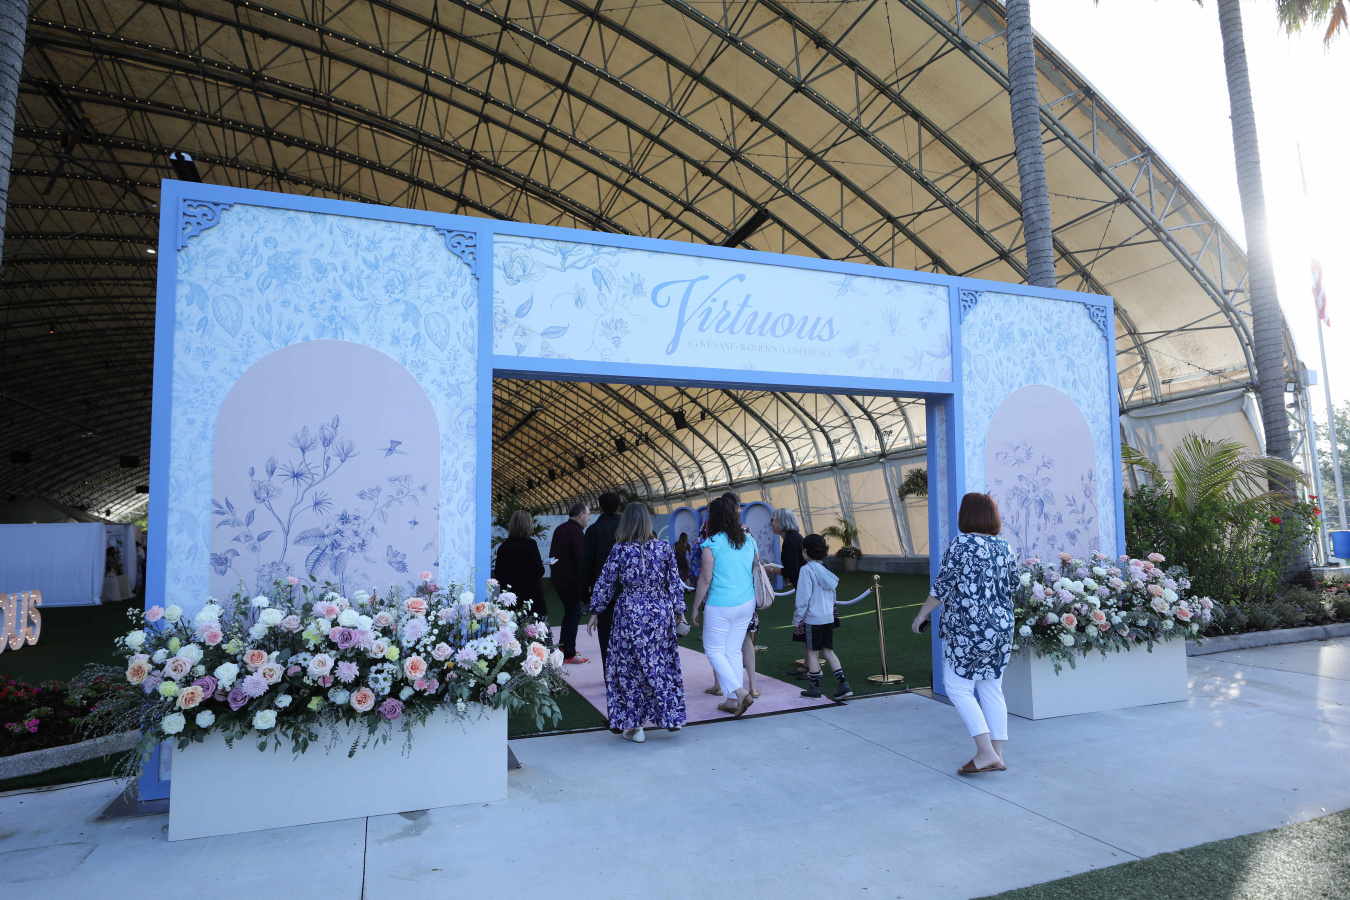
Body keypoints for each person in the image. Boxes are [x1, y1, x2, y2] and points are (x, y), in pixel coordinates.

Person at [910, 492, 1018, 775]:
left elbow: (942, 586)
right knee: (991, 687)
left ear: (967, 515)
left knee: (957, 687)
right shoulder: (1004, 546)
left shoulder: (962, 544)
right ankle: (997, 755)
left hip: (969, 630)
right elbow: (1014, 585)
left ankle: (985, 752)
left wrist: (921, 615)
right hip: (1002, 628)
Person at [589, 503, 688, 742]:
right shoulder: (664, 548)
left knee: (628, 669)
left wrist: (595, 611)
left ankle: (635, 727)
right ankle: (671, 716)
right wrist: (679, 612)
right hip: (660, 611)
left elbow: (605, 582)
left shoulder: (619, 550)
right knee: (662, 665)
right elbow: (674, 583)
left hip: (629, 613)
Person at [691, 497, 758, 716]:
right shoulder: (749, 540)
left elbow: (705, 579)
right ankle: (731, 701)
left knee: (713, 651)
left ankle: (739, 693)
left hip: (720, 604)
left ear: (714, 517)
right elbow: (755, 566)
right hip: (746, 602)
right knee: (732, 650)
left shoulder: (711, 543)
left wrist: (695, 606)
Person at [793, 534, 852, 700]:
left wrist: (797, 618)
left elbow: (803, 598)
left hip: (813, 618)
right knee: (828, 650)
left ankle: (815, 687)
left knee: (812, 652)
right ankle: (843, 685)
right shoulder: (826, 569)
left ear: (805, 551)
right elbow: (833, 595)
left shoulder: (806, 570)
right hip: (828, 617)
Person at [583, 492, 623, 665]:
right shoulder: (628, 528)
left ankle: (609, 676)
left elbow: (587, 565)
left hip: (604, 595)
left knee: (606, 640)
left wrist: (584, 596)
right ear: (619, 508)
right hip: (628, 593)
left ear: (599, 508)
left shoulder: (593, 530)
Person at [549, 501, 590, 664]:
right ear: (580, 514)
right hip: (571, 581)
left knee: (570, 613)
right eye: (588, 514)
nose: (588, 518)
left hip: (559, 580)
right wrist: (586, 583)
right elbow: (581, 560)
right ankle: (569, 654)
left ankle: (563, 647)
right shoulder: (576, 532)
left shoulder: (560, 528)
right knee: (574, 614)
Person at [494, 510, 547, 621]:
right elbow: (539, 571)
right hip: (530, 599)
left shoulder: (503, 546)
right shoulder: (530, 544)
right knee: (533, 629)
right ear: (528, 525)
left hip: (510, 599)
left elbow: (498, 573)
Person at [770, 507, 804, 588]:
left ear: (782, 521)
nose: (771, 523)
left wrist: (771, 569)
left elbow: (793, 570)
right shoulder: (793, 537)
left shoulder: (791, 540)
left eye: (772, 520)